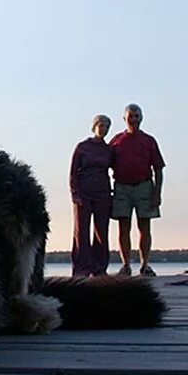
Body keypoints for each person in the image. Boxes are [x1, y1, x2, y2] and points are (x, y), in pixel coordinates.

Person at [109, 104, 165, 277]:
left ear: (142, 118)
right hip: (122, 187)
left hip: (144, 186)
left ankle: (145, 265)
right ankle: (126, 265)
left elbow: (158, 168)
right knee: (123, 227)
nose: (134, 119)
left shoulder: (149, 141)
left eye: (137, 116)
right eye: (131, 116)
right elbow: (104, 164)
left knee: (144, 226)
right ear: (124, 118)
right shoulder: (116, 140)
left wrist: (157, 192)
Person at [68, 114, 115, 277]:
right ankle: (81, 268)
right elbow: (73, 172)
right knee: (81, 231)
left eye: (107, 127)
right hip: (83, 193)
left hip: (102, 193)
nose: (104, 129)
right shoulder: (82, 147)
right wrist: (75, 193)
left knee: (101, 231)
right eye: (101, 125)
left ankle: (100, 268)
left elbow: (117, 170)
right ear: (94, 126)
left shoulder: (108, 150)